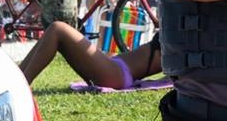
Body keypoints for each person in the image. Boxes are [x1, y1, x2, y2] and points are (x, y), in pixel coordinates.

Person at [15, 20, 165, 93]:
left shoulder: (179, 49)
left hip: (117, 74)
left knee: (58, 28)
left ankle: (20, 85)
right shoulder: (177, 36)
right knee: (55, 31)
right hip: (114, 67)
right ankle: (16, 78)